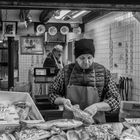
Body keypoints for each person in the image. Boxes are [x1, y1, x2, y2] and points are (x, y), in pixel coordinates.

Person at [48, 38, 121, 123]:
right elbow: (52, 93)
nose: (86, 62)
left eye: (89, 57)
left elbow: (115, 99)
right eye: (82, 58)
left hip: (95, 125)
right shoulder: (66, 71)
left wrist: (96, 107)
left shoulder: (103, 72)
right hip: (71, 124)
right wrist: (63, 101)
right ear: (76, 58)